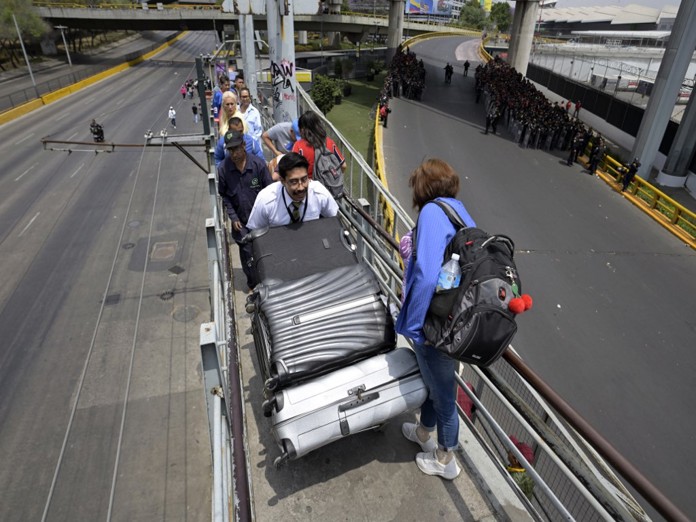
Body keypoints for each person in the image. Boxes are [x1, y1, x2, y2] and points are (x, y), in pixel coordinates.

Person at [398, 158, 476, 481]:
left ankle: (446, 460)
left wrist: (415, 326)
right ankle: (423, 432)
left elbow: (427, 275)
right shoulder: (460, 211)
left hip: (434, 324)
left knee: (443, 393)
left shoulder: (432, 212)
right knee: (434, 384)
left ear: (423, 186)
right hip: (456, 321)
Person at [217, 130, 273, 291]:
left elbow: (270, 192)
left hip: (262, 221)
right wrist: (233, 217)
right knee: (247, 254)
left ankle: (268, 282)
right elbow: (224, 195)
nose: (234, 153)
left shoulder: (258, 165)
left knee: (265, 252)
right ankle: (253, 286)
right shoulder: (223, 169)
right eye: (231, 150)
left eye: (237, 148)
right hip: (241, 222)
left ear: (243, 145)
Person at [246, 152, 338, 230]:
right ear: (282, 181)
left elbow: (335, 220)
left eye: (304, 179)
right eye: (294, 182)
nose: (301, 187)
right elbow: (255, 232)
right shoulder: (266, 200)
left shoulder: (319, 193)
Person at [292, 111, 346, 179]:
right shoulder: (330, 142)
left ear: (302, 130)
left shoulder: (298, 146)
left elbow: (292, 170)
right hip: (329, 186)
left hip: (309, 186)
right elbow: (343, 165)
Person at [507, 435, 535, 501]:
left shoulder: (514, 480)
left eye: (511, 450)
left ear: (515, 460)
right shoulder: (525, 472)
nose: (508, 451)